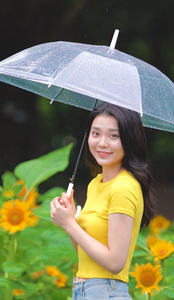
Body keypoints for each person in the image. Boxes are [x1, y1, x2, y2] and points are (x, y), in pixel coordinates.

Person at [50, 103, 155, 299]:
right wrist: (70, 220)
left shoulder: (123, 187)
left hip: (106, 292)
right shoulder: (96, 183)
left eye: (113, 136)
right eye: (95, 133)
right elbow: (85, 253)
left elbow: (115, 263)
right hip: (84, 291)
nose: (102, 143)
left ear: (129, 140)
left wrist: (70, 224)